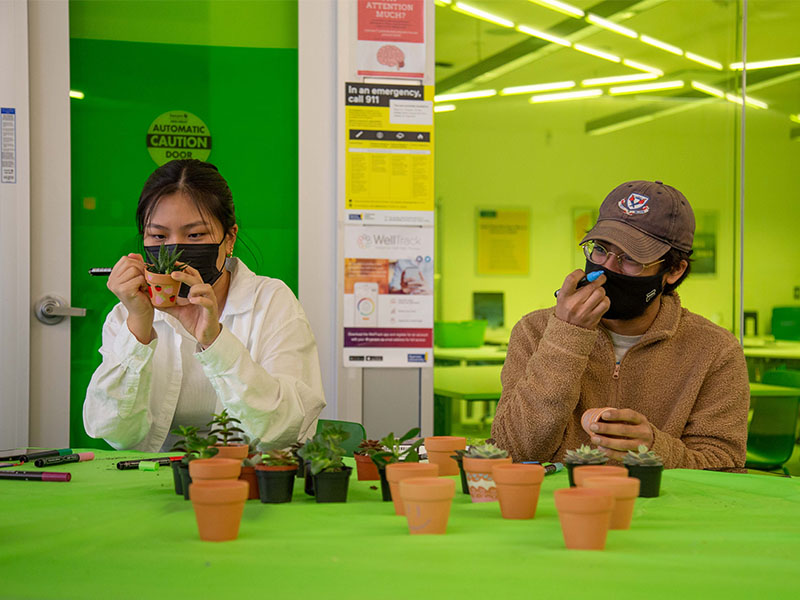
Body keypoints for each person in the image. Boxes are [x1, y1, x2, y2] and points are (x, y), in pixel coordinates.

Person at [491, 180, 749, 470]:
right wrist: (566, 337)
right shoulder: (535, 330)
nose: (607, 268)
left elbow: (726, 467)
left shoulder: (715, 350)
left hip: (660, 512)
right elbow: (511, 451)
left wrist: (653, 449)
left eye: (631, 258)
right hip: (557, 509)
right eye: (600, 249)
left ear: (674, 270)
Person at [84, 159, 325, 452]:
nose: (174, 250)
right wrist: (138, 328)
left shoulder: (272, 301)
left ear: (230, 238)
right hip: (151, 480)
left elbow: (285, 429)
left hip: (249, 479)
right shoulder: (129, 312)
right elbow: (113, 432)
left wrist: (215, 342)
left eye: (195, 235)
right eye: (159, 236)